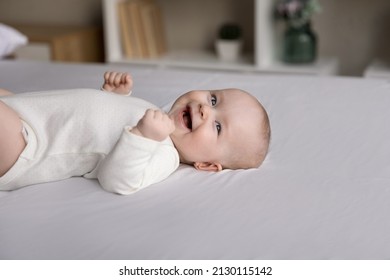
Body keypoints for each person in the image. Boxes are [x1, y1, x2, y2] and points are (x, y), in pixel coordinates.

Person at [0, 71, 270, 195]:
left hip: (28, 147)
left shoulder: (165, 153)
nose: (204, 110)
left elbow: (118, 180)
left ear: (207, 165)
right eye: (213, 100)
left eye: (218, 126)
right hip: (29, 112)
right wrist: (115, 97)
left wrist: (143, 136)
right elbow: (100, 122)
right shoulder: (156, 113)